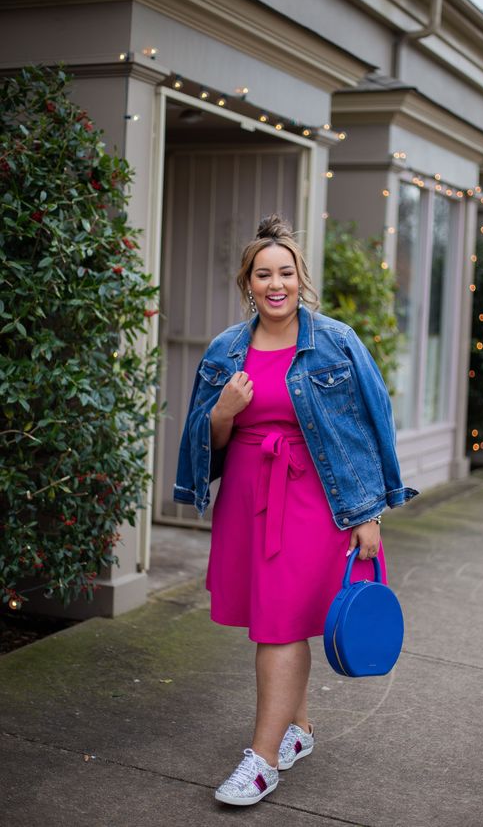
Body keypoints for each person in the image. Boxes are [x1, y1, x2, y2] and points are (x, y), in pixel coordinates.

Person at [173, 214, 418, 807]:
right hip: (248, 500)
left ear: (300, 278)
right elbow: (203, 443)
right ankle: (299, 732)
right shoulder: (225, 349)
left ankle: (261, 760)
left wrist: (371, 512)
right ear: (248, 282)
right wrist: (224, 411)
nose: (275, 284)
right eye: (263, 274)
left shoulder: (335, 341)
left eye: (286, 272)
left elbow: (372, 423)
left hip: (317, 499)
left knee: (280, 627)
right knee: (274, 620)